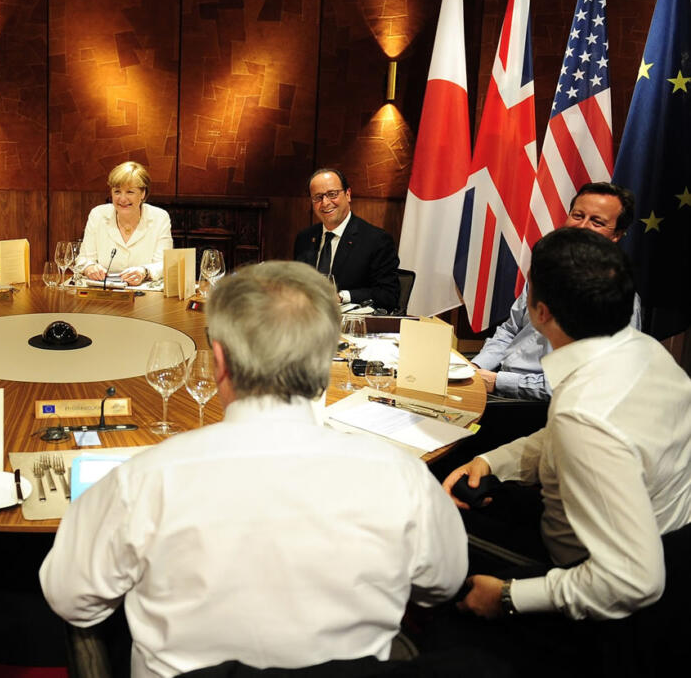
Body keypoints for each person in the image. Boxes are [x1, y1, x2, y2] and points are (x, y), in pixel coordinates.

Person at [39, 261, 467, 676]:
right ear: (324, 362)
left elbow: (71, 597)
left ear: (219, 360)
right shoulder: (401, 476)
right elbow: (444, 583)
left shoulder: (143, 480)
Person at [443, 227, 691, 624]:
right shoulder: (647, 352)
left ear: (540, 312)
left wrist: (509, 596)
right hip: (661, 542)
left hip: (586, 577)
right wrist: (494, 462)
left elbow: (635, 581)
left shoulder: (585, 413)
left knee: (432, 526)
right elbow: (583, 438)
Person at [473, 182, 639, 401]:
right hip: (496, 378)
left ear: (617, 235)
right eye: (578, 215)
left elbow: (584, 385)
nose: (581, 227)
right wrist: (473, 368)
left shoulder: (614, 298)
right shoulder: (545, 267)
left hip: (536, 404)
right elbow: (510, 330)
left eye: (597, 222)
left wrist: (497, 382)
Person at [293, 168, 399, 311]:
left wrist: (342, 296)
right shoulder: (304, 238)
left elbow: (388, 295)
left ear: (348, 194)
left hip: (352, 326)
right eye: (318, 197)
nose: (325, 203)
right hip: (306, 321)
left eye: (332, 194)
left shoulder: (376, 240)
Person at [74, 161, 173, 286]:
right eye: (117, 191)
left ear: (143, 193)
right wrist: (90, 267)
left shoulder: (159, 217)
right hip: (104, 293)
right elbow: (83, 259)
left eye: (130, 192)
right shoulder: (98, 214)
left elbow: (165, 263)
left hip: (143, 294)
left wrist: (144, 271)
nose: (122, 199)